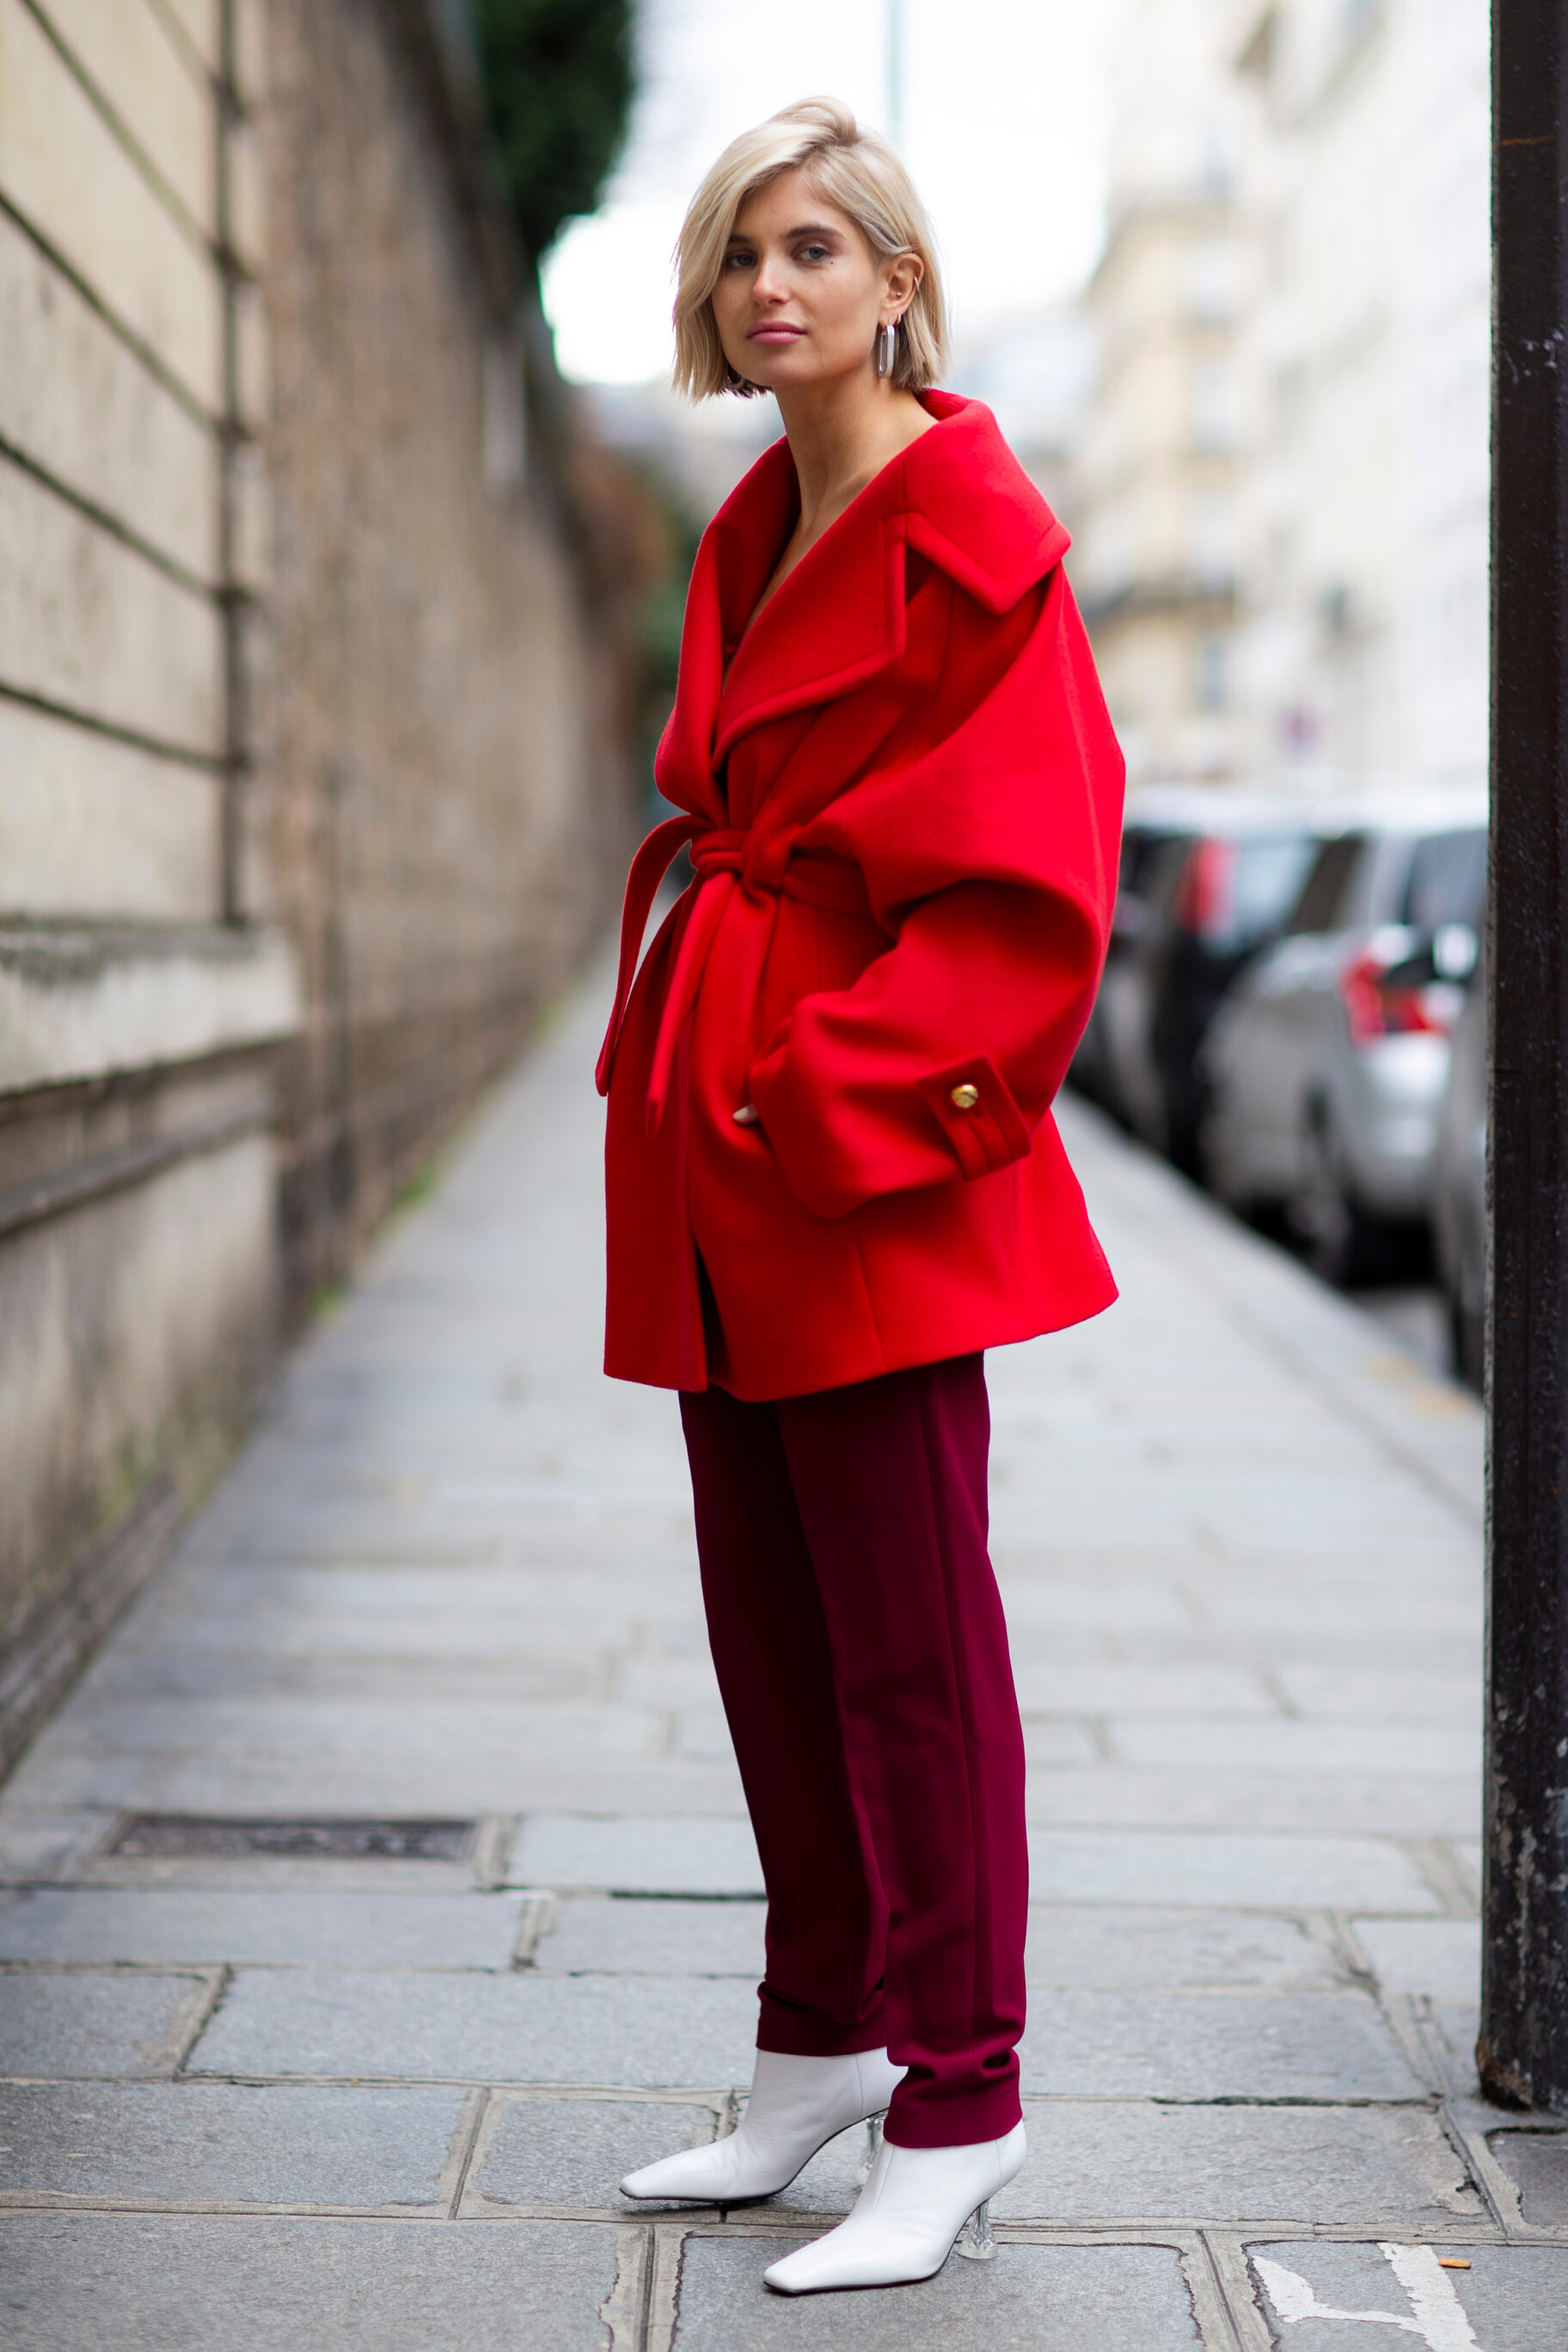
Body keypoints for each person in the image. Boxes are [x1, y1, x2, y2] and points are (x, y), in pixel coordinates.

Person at [596, 97, 1124, 2294]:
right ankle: (818, 2040)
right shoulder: (745, 529)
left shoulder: (974, 533)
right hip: (720, 1152)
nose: (772, 285)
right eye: (741, 255)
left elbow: (1039, 870)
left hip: (860, 1156)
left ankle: (965, 2092)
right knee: (772, 1631)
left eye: (816, 246)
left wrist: (828, 1090)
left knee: (914, 1648)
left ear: (900, 280)